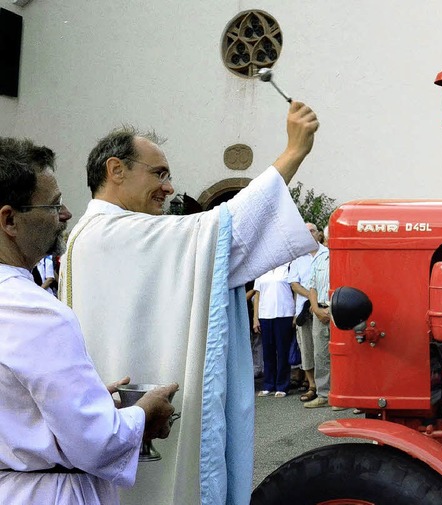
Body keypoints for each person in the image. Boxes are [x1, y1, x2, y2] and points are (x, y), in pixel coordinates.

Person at [59, 101, 319, 505]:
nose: (168, 187)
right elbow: (224, 232)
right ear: (115, 170)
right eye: (158, 173)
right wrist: (292, 153)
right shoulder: (111, 232)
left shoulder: (90, 234)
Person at [0, 137, 178, 505]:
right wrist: (143, 413)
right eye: (52, 204)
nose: (65, 214)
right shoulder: (36, 313)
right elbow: (97, 442)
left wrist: (89, 401)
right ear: (9, 220)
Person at [289, 222, 326, 403]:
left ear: (319, 234)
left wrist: (316, 300)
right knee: (307, 348)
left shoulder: (328, 254)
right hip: (305, 309)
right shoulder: (297, 258)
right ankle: (312, 386)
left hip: (323, 308)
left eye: (312, 230)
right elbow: (294, 284)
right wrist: (311, 297)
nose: (309, 234)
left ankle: (327, 386)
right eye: (305, 232)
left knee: (323, 349)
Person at [253, 262, 296, 397]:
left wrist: (295, 312)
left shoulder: (287, 267)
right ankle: (268, 384)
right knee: (268, 352)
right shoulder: (261, 268)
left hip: (284, 313)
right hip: (266, 314)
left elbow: (294, 290)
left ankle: (282, 385)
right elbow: (257, 295)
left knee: (282, 351)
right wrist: (255, 317)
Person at [304, 224, 333, 409]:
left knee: (342, 355)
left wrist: (330, 312)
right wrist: (315, 309)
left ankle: (343, 395)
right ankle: (323, 394)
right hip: (319, 310)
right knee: (320, 354)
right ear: (327, 238)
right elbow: (312, 286)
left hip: (339, 312)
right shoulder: (320, 259)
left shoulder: (346, 258)